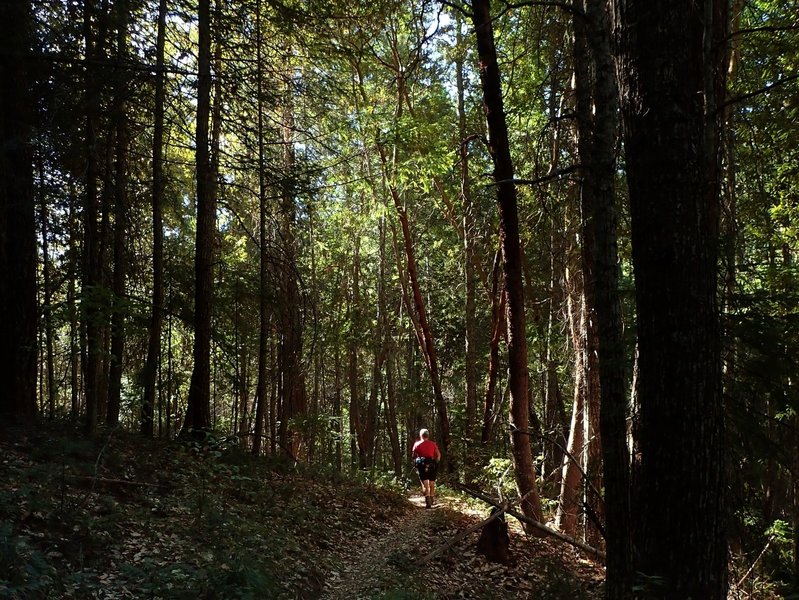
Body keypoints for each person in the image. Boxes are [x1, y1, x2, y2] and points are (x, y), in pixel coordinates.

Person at [412, 428, 441, 508]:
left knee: (425, 482)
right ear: (428, 435)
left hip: (421, 463)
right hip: (431, 463)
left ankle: (427, 499)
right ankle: (431, 498)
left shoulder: (417, 444)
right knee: (431, 482)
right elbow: (438, 455)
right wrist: (436, 462)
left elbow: (414, 456)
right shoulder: (433, 444)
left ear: (420, 435)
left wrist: (415, 463)